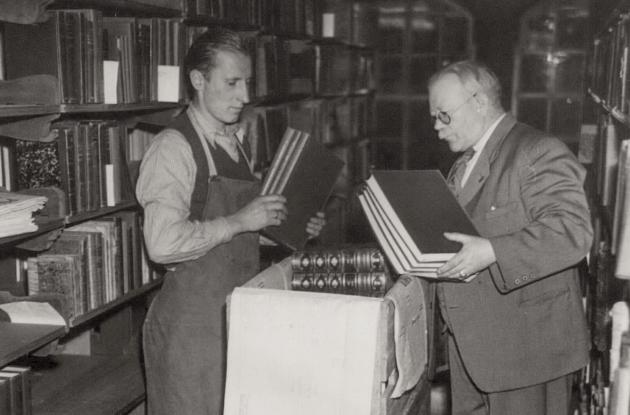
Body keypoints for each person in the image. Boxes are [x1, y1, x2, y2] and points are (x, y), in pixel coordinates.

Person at [137, 28, 326, 414]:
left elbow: (234, 238)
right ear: (197, 80)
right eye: (232, 82)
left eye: (248, 83)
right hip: (190, 334)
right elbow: (161, 244)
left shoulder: (232, 140)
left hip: (237, 320)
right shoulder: (172, 148)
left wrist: (281, 226)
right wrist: (240, 221)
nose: (245, 96)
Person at [427, 60, 593, 415]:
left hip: (526, 357)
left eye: (444, 115)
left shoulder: (536, 150)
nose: (437, 128)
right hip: (475, 352)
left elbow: (573, 230)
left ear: (480, 102)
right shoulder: (466, 162)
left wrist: (491, 251)